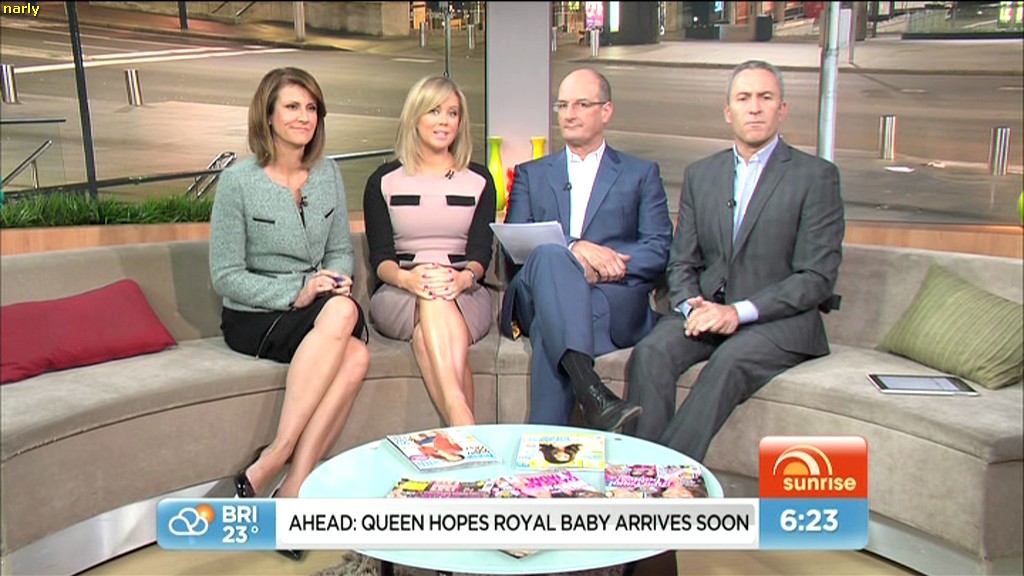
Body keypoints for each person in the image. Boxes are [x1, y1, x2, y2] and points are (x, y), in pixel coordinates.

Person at [625, 60, 845, 462]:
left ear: (782, 109)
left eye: (766, 97)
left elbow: (816, 277)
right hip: (709, 312)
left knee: (729, 361)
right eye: (744, 98)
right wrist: (691, 305)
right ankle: (641, 471)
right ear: (729, 112)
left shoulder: (816, 177)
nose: (755, 107)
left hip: (777, 322)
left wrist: (738, 313)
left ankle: (665, 478)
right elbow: (682, 261)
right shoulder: (701, 175)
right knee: (651, 351)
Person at [209, 68, 370, 555]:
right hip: (256, 313)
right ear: (268, 116)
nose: (304, 117)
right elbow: (225, 275)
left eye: (311, 108)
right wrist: (297, 291)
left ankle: (289, 485)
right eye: (293, 107)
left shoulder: (328, 173)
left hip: (320, 308)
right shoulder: (237, 182)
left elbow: (340, 249)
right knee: (347, 328)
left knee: (355, 347)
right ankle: (281, 465)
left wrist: (335, 279)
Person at [500, 68, 673, 431]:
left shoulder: (640, 174)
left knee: (553, 324)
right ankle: (593, 394)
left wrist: (606, 266)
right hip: (535, 293)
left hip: (607, 297)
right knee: (550, 254)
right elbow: (515, 245)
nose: (569, 114)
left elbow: (658, 248)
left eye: (581, 104)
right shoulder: (531, 174)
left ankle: (547, 441)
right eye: (562, 105)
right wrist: (575, 251)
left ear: (606, 111)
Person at [363, 75, 495, 426]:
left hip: (466, 292)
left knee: (429, 328)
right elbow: (381, 259)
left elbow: (481, 253)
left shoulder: (480, 179)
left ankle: (460, 421)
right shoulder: (383, 180)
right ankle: (464, 419)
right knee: (432, 294)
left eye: (452, 113)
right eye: (434, 111)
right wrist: (409, 279)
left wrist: (463, 279)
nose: (444, 121)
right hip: (399, 292)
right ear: (415, 117)